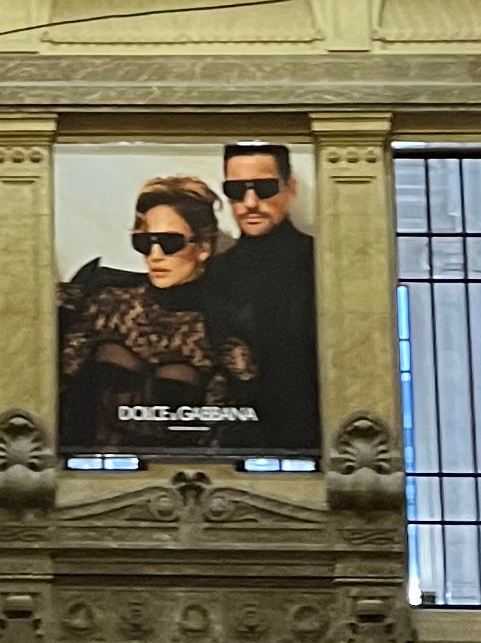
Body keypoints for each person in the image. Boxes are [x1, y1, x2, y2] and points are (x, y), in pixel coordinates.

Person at [55, 173, 259, 458]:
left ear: (203, 247)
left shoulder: (222, 324)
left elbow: (233, 428)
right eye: (144, 242)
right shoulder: (106, 303)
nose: (154, 254)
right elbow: (52, 389)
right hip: (93, 476)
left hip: (182, 482)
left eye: (170, 242)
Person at [206, 141, 322, 455]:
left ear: (290, 188)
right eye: (236, 190)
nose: (250, 202)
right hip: (233, 443)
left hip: (310, 439)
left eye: (265, 187)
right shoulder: (215, 271)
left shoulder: (321, 261)